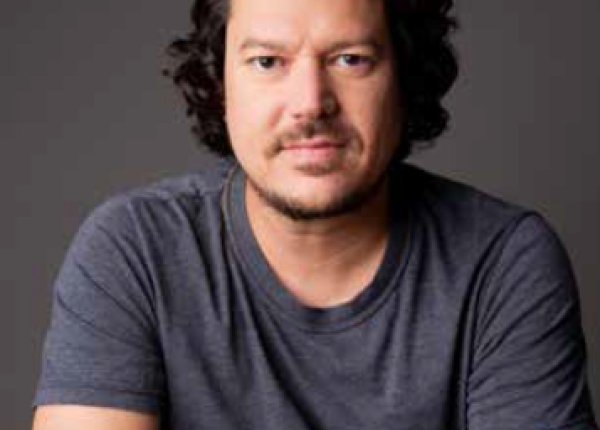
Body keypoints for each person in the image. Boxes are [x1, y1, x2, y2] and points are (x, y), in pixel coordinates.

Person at [32, 0, 598, 428]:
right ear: (221, 85)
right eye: (267, 61)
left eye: (351, 59)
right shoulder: (134, 250)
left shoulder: (502, 261)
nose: (309, 103)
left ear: (404, 79)